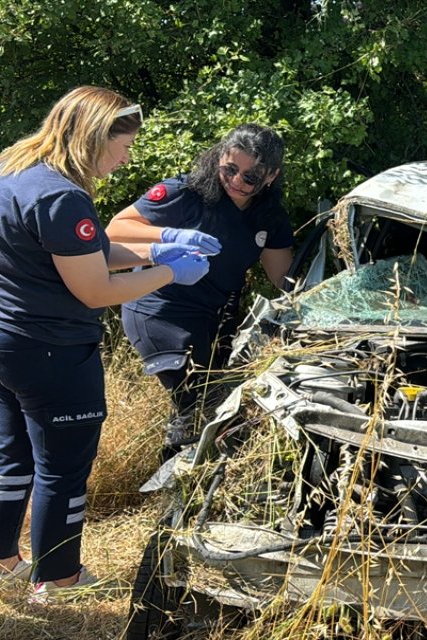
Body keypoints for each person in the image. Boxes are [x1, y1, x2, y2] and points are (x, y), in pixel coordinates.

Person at [0, 86, 210, 602]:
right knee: (63, 465)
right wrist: (167, 271)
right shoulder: (61, 196)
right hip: (46, 349)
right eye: (122, 148)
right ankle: (58, 579)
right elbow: (95, 288)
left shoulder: (14, 167)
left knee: (14, 452)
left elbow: (81, 250)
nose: (125, 160)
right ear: (94, 138)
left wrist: (159, 243)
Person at [106, 124, 294, 459]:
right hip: (160, 306)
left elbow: (285, 280)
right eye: (230, 169)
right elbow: (117, 228)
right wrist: (169, 238)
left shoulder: (270, 216)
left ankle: (184, 472)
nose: (237, 181)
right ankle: (182, 482)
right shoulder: (186, 193)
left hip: (214, 316)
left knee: (213, 402)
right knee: (198, 400)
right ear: (220, 157)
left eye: (251, 177)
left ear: (271, 177)